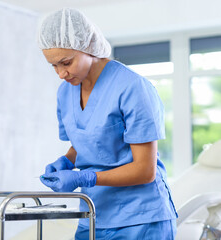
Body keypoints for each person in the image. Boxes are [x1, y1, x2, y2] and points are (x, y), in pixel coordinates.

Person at [37, 8, 178, 240]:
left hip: (141, 219)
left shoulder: (132, 88)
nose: (61, 74)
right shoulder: (65, 92)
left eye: (66, 62)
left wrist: (85, 177)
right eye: (54, 66)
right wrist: (65, 161)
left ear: (88, 47)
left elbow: (145, 170)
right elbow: (84, 141)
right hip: (93, 215)